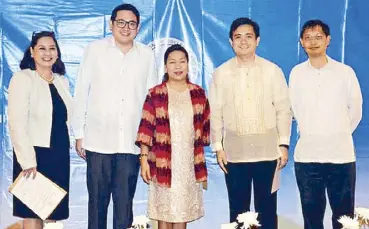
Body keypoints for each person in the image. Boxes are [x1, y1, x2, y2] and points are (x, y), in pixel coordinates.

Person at [71, 3, 158, 229]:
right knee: (97, 205)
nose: (126, 28)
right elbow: (81, 92)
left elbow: (152, 102)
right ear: (111, 24)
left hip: (131, 144)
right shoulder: (94, 50)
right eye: (121, 22)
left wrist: (148, 142)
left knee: (124, 208)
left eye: (131, 24)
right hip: (98, 141)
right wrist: (79, 133)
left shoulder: (147, 55)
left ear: (138, 28)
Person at [209, 17, 292, 229]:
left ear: (257, 40)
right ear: (230, 42)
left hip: (268, 151)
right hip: (234, 153)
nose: (243, 41)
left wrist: (283, 144)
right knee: (238, 211)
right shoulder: (221, 73)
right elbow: (215, 113)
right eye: (238, 37)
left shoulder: (272, 71)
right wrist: (218, 147)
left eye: (248, 36)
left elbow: (283, 109)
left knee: (267, 210)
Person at [289, 19, 363, 229]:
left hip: (341, 157)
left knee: (344, 219)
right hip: (307, 158)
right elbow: (292, 109)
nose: (313, 42)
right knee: (311, 219)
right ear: (301, 42)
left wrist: (337, 133)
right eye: (308, 38)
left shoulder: (345, 72)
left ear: (328, 40)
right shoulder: (296, 73)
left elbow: (355, 110)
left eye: (318, 37)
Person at [136, 44, 209, 229]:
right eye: (172, 62)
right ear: (166, 66)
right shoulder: (155, 94)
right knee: (164, 215)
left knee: (181, 214)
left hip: (187, 165)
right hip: (162, 162)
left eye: (182, 62)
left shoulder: (198, 94)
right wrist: (144, 159)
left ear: (188, 64)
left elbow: (205, 131)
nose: (178, 66)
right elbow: (146, 129)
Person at [8, 31, 72, 229]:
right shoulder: (23, 78)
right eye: (42, 48)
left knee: (52, 213)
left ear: (58, 53)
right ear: (32, 52)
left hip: (58, 154)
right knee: (32, 213)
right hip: (34, 156)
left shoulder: (62, 81)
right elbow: (16, 122)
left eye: (52, 48)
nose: (47, 53)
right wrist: (27, 160)